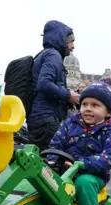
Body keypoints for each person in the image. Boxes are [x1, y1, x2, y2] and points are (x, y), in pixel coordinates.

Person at [47, 79, 111, 205]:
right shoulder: (69, 124)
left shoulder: (110, 130)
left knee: (84, 183)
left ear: (108, 112)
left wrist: (82, 164)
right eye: (85, 104)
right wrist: (52, 161)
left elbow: (110, 156)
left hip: (94, 175)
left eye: (95, 105)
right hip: (65, 171)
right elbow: (55, 145)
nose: (88, 108)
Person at [27, 20, 79, 151]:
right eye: (71, 41)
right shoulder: (53, 55)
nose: (73, 46)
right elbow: (44, 84)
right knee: (57, 163)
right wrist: (68, 95)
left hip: (39, 120)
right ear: (62, 39)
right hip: (46, 121)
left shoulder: (46, 55)